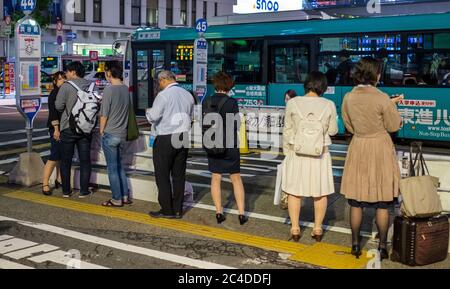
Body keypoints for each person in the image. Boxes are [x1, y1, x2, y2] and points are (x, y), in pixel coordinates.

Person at [340, 57, 403, 261]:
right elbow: (393, 126)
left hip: (358, 146)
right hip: (380, 148)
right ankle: (383, 247)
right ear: (375, 74)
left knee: (356, 202)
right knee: (383, 202)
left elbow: (348, 125)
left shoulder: (349, 97)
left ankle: (355, 244)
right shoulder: (382, 97)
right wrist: (393, 108)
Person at [282, 71, 338, 242]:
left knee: (294, 191)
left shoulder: (293, 103)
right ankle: (318, 228)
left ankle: (295, 228)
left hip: (296, 152)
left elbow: (287, 129)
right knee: (320, 192)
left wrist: (286, 153)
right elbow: (333, 131)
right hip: (319, 153)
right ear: (323, 86)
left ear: (306, 84)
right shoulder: (328, 104)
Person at [146, 70, 194, 219]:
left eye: (159, 82)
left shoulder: (163, 95)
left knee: (162, 175)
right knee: (179, 175)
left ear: (163, 80)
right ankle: (178, 209)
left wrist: (148, 112)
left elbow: (153, 117)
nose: (159, 85)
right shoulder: (188, 95)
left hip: (165, 137)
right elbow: (192, 117)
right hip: (183, 136)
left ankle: (167, 209)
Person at [203, 72, 248, 226]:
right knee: (236, 178)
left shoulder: (206, 101)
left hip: (213, 144)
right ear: (229, 86)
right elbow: (235, 125)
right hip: (229, 145)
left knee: (216, 177)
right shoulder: (232, 102)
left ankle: (219, 212)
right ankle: (241, 214)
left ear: (215, 84)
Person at [55, 62, 98, 198]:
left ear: (73, 72)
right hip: (86, 128)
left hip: (68, 127)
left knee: (66, 160)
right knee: (85, 160)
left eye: (67, 72)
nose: (66, 74)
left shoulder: (66, 86)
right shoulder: (91, 85)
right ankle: (84, 191)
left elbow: (58, 106)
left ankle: (66, 191)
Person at [99, 63, 131, 207]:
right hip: (122, 133)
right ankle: (124, 196)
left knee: (112, 168)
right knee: (119, 167)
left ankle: (116, 199)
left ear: (109, 73)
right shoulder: (125, 89)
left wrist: (101, 130)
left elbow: (104, 113)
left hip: (110, 133)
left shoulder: (109, 90)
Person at [42, 71, 66, 196]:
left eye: (64, 79)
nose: (62, 81)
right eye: (60, 79)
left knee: (61, 156)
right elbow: (53, 113)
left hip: (63, 128)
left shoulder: (63, 92)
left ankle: (59, 179)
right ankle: (45, 183)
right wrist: (56, 129)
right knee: (54, 155)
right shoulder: (54, 93)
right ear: (55, 82)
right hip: (55, 128)